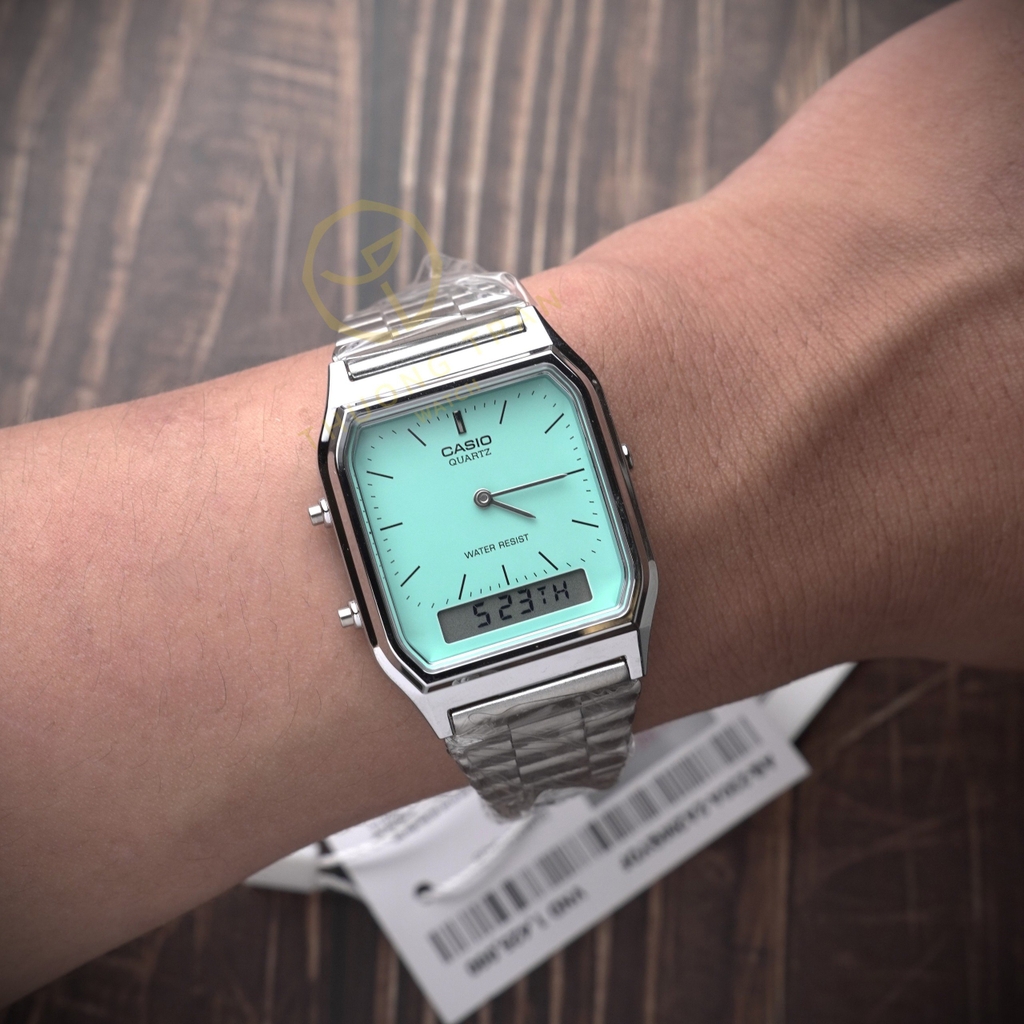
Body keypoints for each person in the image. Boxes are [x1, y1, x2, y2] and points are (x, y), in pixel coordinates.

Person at [1, 0, 1021, 1004]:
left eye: (495, 489)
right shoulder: (378, 553)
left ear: (614, 452)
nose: (483, 500)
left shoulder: (551, 463)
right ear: (342, 544)